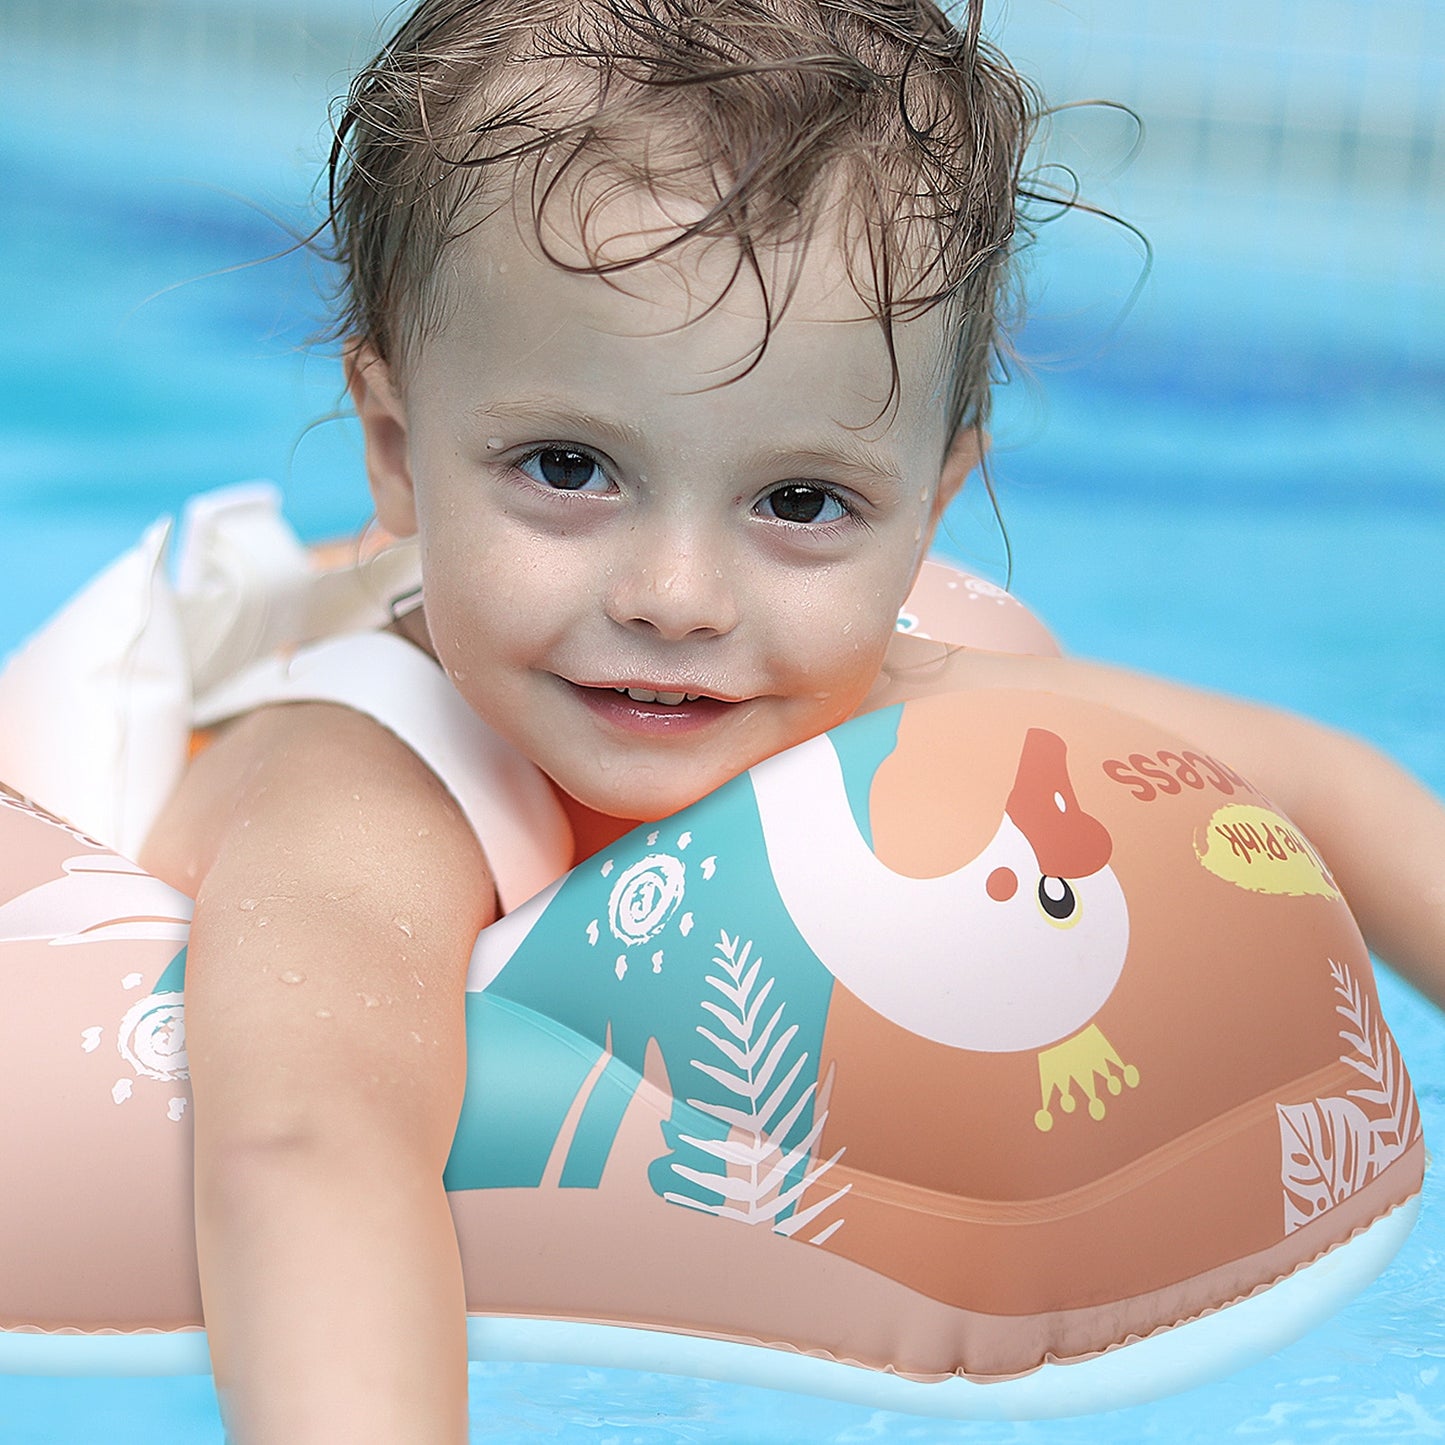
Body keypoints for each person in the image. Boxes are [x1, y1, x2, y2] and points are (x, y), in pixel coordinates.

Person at [134, 1, 1445, 1440]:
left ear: (930, 509)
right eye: (566, 467)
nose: (677, 597)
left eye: (801, 500)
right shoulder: (362, 785)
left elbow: (1323, 784)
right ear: (394, 450)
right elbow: (306, 1139)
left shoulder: (920, 693)